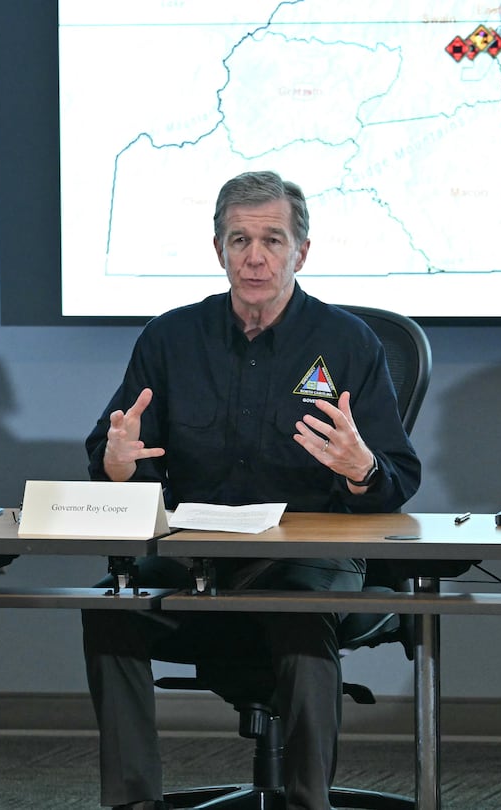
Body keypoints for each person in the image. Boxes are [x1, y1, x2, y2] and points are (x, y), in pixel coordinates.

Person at [81, 170, 421, 810]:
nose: (255, 256)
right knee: (110, 611)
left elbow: (396, 481)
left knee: (298, 613)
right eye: (239, 240)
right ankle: (132, 802)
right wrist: (119, 466)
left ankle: (305, 802)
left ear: (302, 251)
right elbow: (119, 454)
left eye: (272, 239)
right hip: (195, 560)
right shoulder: (171, 338)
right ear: (219, 251)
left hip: (307, 562)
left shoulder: (348, 344)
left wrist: (361, 468)